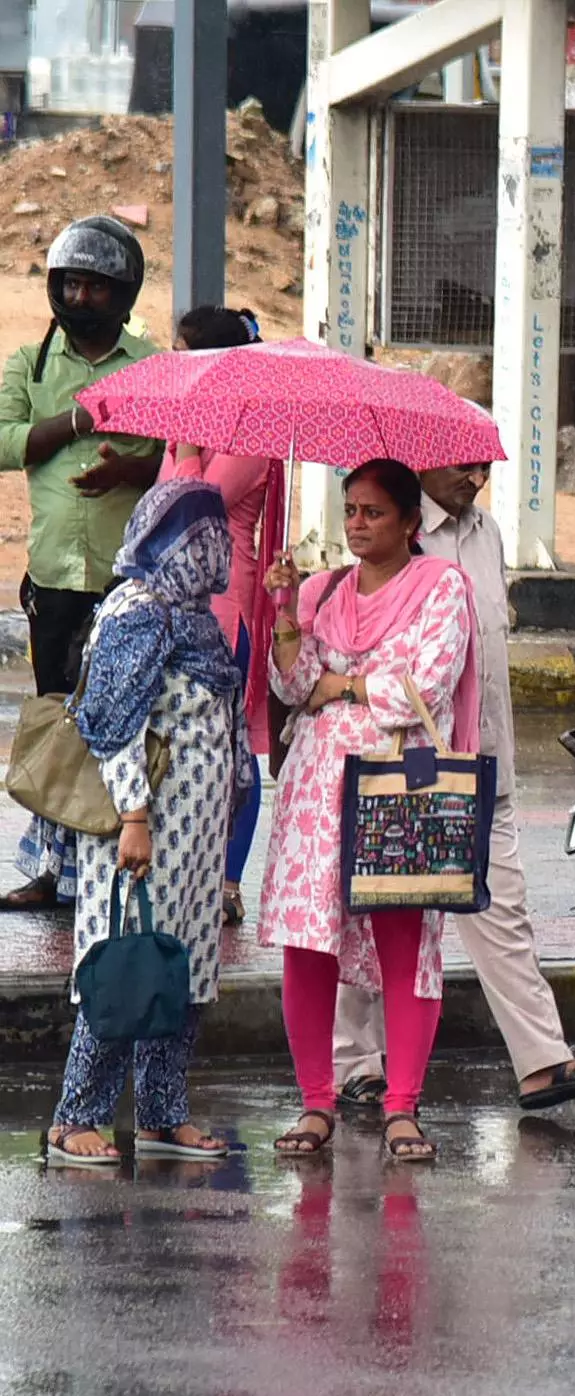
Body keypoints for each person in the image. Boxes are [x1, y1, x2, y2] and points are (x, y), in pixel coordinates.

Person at [330, 462, 575, 1113]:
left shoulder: (487, 532)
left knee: (506, 911)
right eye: (461, 461)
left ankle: (542, 1061)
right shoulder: (400, 538)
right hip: (410, 759)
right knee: (386, 912)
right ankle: (354, 1062)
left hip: (483, 758)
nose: (474, 474)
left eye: (483, 463)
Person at [261, 459, 482, 1164]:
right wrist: (286, 617)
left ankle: (401, 1106)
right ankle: (316, 1101)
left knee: (404, 939)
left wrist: (344, 684)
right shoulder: (325, 590)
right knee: (309, 942)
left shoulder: (442, 587)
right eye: (351, 510)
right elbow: (296, 688)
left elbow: (425, 682)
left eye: (374, 512)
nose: (357, 523)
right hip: (318, 792)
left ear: (411, 522)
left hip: (398, 782)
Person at [42, 479, 248, 1166]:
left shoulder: (197, 619)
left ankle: (162, 1115)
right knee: (122, 964)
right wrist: (133, 813)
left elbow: (223, 718)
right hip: (144, 828)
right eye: (204, 536)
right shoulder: (138, 613)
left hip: (193, 837)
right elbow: (111, 725)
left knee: (180, 973)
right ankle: (76, 1117)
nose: (218, 549)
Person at [1, 217, 163, 910]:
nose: (82, 295)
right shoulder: (29, 365)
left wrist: (132, 468)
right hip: (54, 579)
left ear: (122, 293)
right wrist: (78, 421)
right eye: (72, 283)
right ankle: (50, 868)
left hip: (126, 584)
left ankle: (113, 850)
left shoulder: (149, 362)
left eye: (97, 285)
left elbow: (175, 454)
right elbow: (5, 440)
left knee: (123, 721)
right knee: (56, 722)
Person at [158, 305, 282, 930]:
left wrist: (181, 445)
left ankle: (229, 881)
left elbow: (193, 503)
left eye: (184, 352)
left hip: (226, 607)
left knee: (233, 749)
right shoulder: (199, 424)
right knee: (184, 743)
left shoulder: (249, 433)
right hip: (176, 605)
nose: (175, 362)